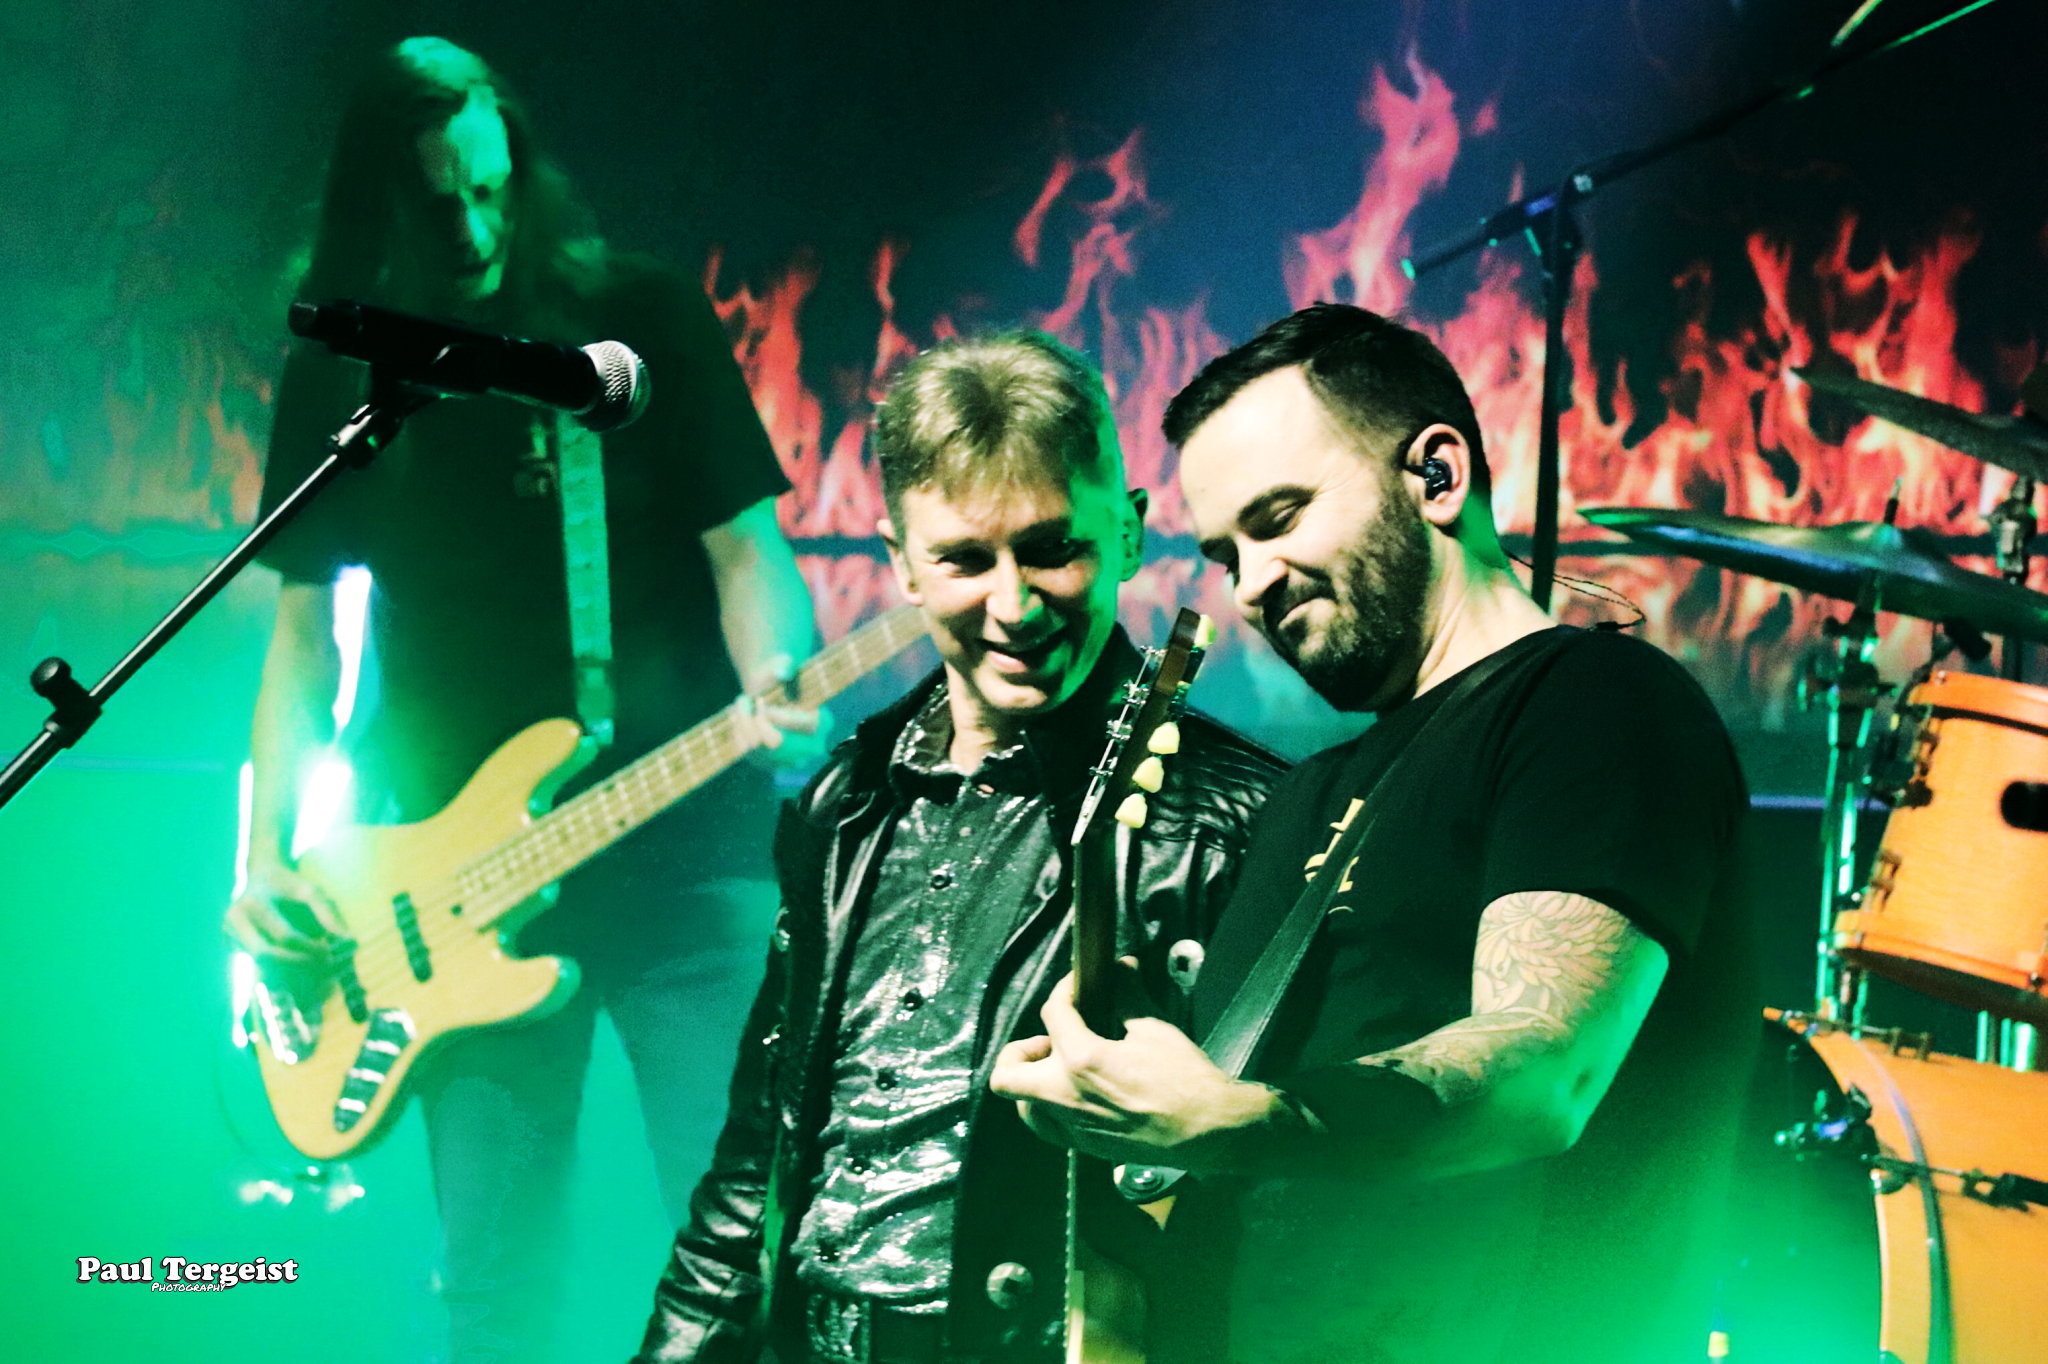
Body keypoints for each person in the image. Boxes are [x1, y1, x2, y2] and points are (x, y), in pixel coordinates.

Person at [992, 303, 1756, 1364]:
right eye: (1225, 554)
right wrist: (1110, 1086)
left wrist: (1226, 1115)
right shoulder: (1309, 794)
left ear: (1436, 475)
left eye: (1278, 518)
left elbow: (1540, 1072)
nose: (1251, 583)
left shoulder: (1593, 701)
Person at [223, 38, 820, 1364]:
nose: (476, 230)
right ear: (379, 204)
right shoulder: (344, 366)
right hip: (451, 888)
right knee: (497, 1290)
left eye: (493, 190)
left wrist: (776, 670)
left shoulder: (631, 323)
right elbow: (304, 643)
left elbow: (746, 551)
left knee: (748, 1250)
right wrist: (262, 859)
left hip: (680, 852)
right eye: (440, 204)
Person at [634, 332, 1287, 1364]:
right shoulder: (844, 802)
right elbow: (757, 1158)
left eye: (1051, 549)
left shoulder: (1233, 819)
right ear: (900, 562)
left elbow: (1276, 1216)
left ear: (1126, 532)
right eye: (965, 560)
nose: (1013, 605)